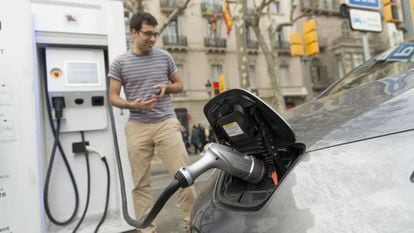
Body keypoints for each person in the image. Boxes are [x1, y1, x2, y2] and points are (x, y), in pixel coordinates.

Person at [108, 12, 196, 233]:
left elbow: (179, 85)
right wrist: (133, 105)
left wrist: (167, 88)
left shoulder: (164, 57)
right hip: (137, 126)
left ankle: (191, 225)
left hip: (166, 121)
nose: (152, 38)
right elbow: (113, 97)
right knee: (140, 185)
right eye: (147, 34)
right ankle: (148, 230)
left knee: (185, 177)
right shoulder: (120, 62)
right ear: (134, 32)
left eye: (155, 34)